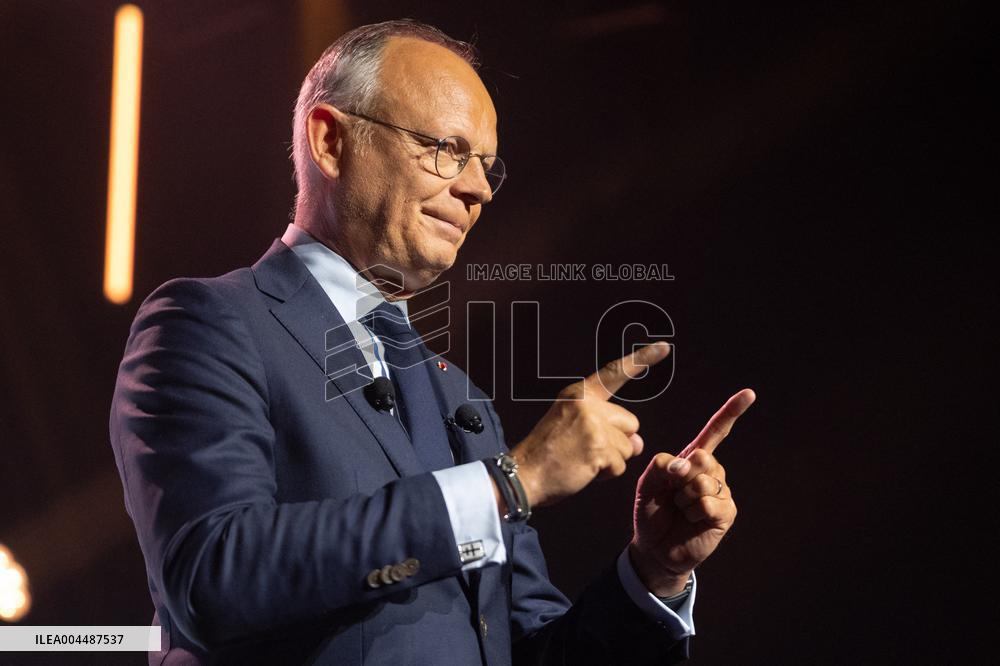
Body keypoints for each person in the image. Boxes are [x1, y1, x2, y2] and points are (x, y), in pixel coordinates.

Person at [110, 19, 755, 665]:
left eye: (486, 166)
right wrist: (512, 482)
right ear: (332, 141)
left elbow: (528, 648)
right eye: (446, 148)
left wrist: (654, 574)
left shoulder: (457, 396)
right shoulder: (209, 323)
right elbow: (215, 576)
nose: (476, 189)